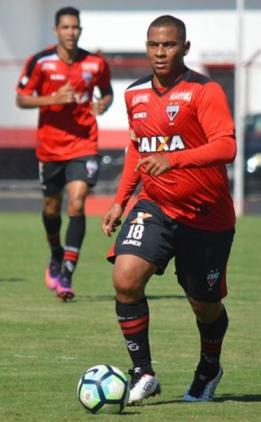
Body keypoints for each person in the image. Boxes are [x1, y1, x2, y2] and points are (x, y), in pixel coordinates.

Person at [102, 15, 236, 404]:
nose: (160, 53)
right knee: (126, 279)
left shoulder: (205, 91)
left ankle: (209, 367)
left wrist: (173, 161)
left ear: (185, 48)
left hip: (206, 215)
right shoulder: (134, 94)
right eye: (154, 45)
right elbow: (136, 149)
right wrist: (121, 199)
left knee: (204, 303)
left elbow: (226, 146)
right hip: (156, 205)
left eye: (169, 45)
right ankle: (143, 372)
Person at [16, 7, 113, 301]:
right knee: (50, 207)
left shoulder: (95, 63)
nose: (71, 32)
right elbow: (21, 98)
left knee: (77, 202)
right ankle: (56, 254)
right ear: (56, 30)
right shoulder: (40, 62)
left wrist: (103, 105)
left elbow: (107, 92)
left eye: (76, 28)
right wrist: (52, 99)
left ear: (80, 31)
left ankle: (68, 275)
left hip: (84, 144)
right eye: (66, 27)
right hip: (50, 147)